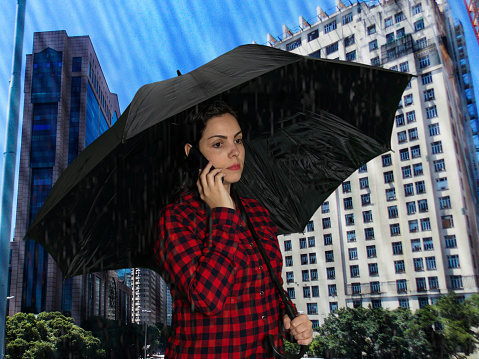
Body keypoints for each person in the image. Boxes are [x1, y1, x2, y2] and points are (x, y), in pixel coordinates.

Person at [154, 101, 313, 358]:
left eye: (237, 140)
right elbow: (207, 299)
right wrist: (223, 216)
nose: (234, 152)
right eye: (219, 144)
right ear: (191, 152)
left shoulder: (257, 213)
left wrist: (290, 320)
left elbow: (270, 288)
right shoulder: (176, 218)